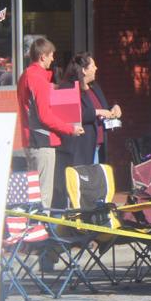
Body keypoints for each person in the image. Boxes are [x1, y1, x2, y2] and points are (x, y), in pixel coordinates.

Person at [17, 38, 84, 208]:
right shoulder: (37, 78)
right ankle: (41, 230)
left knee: (34, 193)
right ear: (42, 56)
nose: (53, 59)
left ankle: (34, 228)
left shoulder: (27, 75)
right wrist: (70, 129)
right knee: (43, 195)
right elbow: (44, 116)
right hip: (42, 140)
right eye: (51, 56)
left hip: (32, 139)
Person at [52, 53, 121, 207]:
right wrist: (97, 112)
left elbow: (102, 107)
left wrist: (113, 108)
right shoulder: (67, 87)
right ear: (84, 70)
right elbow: (71, 114)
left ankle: (94, 217)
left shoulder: (94, 87)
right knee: (83, 185)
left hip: (98, 144)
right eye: (93, 65)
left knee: (96, 185)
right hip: (81, 146)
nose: (96, 68)